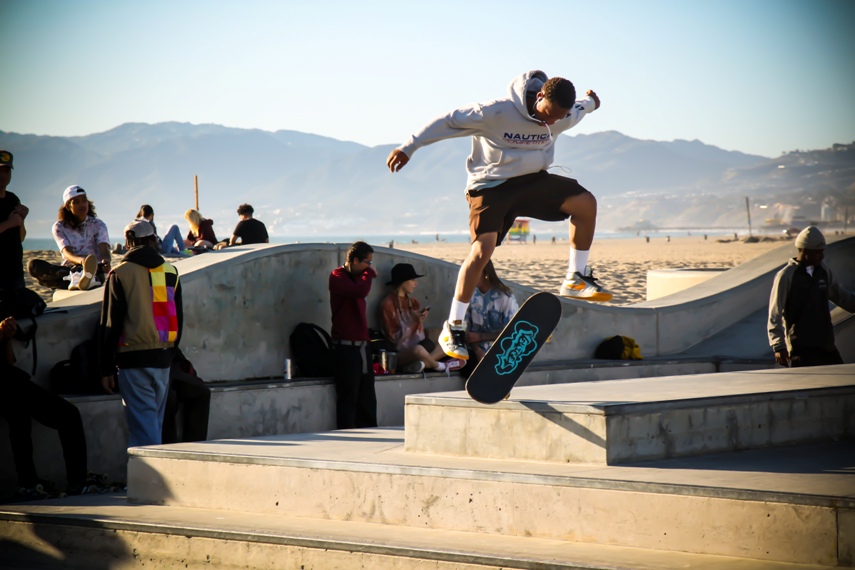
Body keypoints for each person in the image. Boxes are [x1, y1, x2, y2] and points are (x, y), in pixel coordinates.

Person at [386, 70, 610, 361]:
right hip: (489, 186)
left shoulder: (564, 115)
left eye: (558, 118)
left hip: (531, 181)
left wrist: (592, 102)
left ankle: (576, 277)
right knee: (482, 251)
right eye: (549, 114)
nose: (552, 122)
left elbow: (584, 106)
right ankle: (454, 326)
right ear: (540, 96)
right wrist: (409, 146)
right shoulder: (494, 112)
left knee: (585, 203)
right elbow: (447, 120)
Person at [0, 316, 110, 498]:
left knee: (19, 420)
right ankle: (77, 481)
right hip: (7, 383)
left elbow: (9, 361)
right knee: (68, 415)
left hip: (9, 379)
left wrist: (7, 338)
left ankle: (29, 483)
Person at [99, 219, 184, 447]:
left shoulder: (120, 273)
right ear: (153, 240)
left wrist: (106, 367)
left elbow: (111, 324)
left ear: (129, 242)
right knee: (154, 423)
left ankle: (148, 471)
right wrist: (169, 353)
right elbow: (179, 319)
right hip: (163, 359)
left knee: (144, 431)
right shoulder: (170, 271)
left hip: (133, 360)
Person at [768, 226, 855, 367]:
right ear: (804, 250)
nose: (822, 256)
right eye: (818, 252)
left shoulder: (823, 271)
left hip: (826, 346)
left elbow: (840, 296)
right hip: (801, 348)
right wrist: (778, 346)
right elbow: (775, 313)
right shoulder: (786, 275)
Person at [379, 263, 464, 373]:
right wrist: (412, 321)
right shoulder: (387, 304)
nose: (416, 284)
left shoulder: (413, 302)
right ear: (403, 281)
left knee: (449, 338)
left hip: (421, 344)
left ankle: (423, 364)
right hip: (402, 353)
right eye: (413, 280)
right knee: (418, 350)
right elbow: (394, 339)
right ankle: (440, 366)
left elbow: (418, 333)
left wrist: (420, 320)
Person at [328, 241, 377, 429]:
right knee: (348, 398)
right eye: (367, 262)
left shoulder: (359, 277)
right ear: (355, 260)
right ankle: (348, 435)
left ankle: (370, 432)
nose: (369, 267)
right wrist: (369, 274)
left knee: (367, 398)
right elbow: (360, 291)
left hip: (362, 346)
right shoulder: (337, 276)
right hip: (345, 348)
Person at [27, 185, 111, 290]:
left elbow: (104, 248)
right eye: (76, 202)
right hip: (70, 269)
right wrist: (82, 261)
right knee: (33, 265)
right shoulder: (59, 227)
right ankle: (79, 279)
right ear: (68, 206)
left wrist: (106, 261)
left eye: (84, 200)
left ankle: (84, 279)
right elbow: (67, 252)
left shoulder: (98, 224)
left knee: (49, 280)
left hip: (95, 269)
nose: (82, 205)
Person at [465, 261, 520, 362]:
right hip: (474, 350)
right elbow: (466, 332)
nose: (469, 276)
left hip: (501, 351)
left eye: (473, 272)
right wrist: (477, 351)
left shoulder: (505, 297)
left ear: (485, 274)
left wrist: (481, 337)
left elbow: (512, 333)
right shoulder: (470, 295)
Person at [161, 348, 210, 444]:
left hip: (168, 363)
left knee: (202, 392)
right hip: (146, 363)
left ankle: (195, 445)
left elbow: (171, 344)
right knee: (168, 396)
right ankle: (168, 446)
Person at [0, 150, 29, 291]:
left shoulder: (13, 199)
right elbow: (10, 224)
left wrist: (21, 220)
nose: (3, 175)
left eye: (6, 171)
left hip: (15, 272)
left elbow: (20, 238)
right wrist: (8, 223)